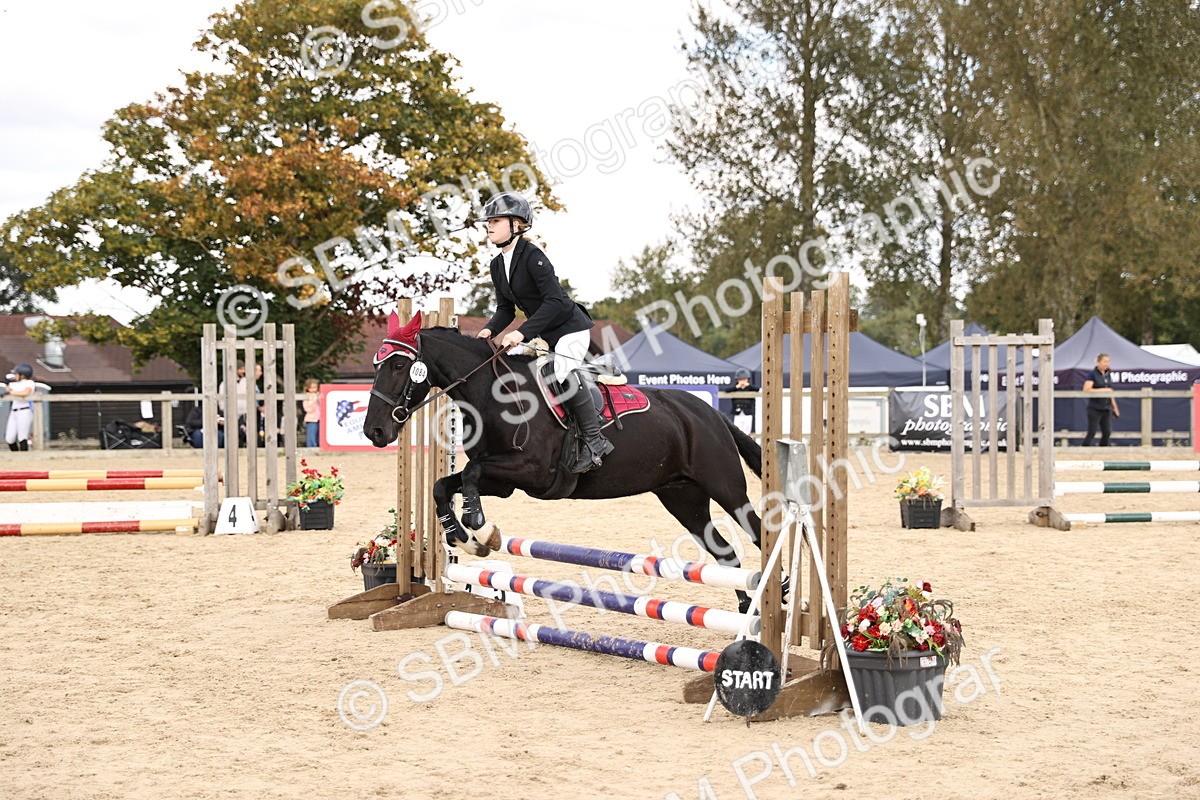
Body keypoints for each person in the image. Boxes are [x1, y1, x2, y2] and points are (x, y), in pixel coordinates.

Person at [475, 191, 613, 473]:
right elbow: (506, 309)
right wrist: (488, 330)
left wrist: (522, 333)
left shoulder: (534, 256)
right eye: (488, 221)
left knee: (561, 373)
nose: (489, 225)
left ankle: (595, 440)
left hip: (570, 329)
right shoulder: (497, 264)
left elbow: (554, 301)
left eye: (496, 220)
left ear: (518, 225)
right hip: (545, 334)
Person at [1082, 352, 1119, 446]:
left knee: (1107, 432)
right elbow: (1086, 389)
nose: (1107, 364)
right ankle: (1084, 449)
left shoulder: (1108, 375)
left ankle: (1103, 449)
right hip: (1095, 407)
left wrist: (1115, 407)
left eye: (1108, 362)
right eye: (1104, 361)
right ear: (1098, 362)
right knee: (1092, 432)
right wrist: (1104, 390)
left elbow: (1111, 392)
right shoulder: (1092, 375)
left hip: (1106, 407)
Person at [3, 363, 36, 451]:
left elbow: (25, 393)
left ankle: (23, 456)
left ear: (23, 375)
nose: (15, 375)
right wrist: (7, 381)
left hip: (25, 411)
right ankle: (16, 455)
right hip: (14, 411)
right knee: (9, 438)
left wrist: (12, 392)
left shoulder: (30, 383)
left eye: (17, 374)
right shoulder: (16, 384)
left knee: (22, 436)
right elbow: (7, 388)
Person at [730, 368, 759, 435]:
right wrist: (737, 387)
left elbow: (757, 389)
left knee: (747, 430)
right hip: (738, 412)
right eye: (740, 379)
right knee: (737, 429)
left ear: (748, 380)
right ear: (737, 380)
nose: (742, 381)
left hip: (747, 412)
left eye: (744, 379)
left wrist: (748, 385)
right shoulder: (735, 388)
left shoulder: (750, 388)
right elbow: (727, 390)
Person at [302, 379, 321, 448]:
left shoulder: (319, 395)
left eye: (315, 387)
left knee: (319, 434)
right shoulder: (307, 396)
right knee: (311, 434)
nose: (313, 389)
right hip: (311, 418)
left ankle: (318, 446)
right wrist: (314, 401)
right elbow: (307, 408)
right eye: (311, 387)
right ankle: (311, 447)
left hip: (320, 418)